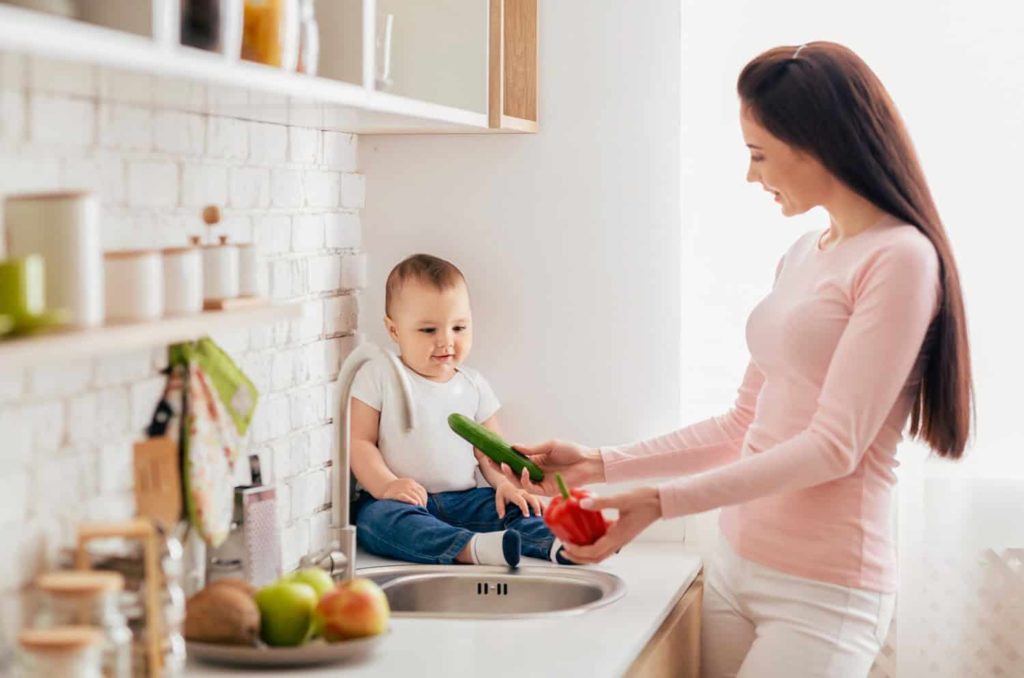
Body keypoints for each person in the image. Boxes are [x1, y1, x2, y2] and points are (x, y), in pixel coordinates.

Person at [491, 42, 973, 677]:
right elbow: (740, 426)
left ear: (816, 144)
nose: (752, 176)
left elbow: (834, 447)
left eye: (759, 155)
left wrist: (659, 501)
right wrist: (600, 463)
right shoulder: (805, 252)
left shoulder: (900, 259)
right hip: (736, 567)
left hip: (824, 595)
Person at [349, 254, 574, 568]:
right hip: (402, 501)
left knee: (516, 508)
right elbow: (359, 442)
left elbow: (490, 452)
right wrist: (387, 485)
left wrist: (505, 485)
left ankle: (562, 542)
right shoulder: (379, 374)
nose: (446, 341)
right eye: (428, 330)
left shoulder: (474, 385)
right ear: (394, 330)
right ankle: (470, 548)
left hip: (466, 499)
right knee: (377, 520)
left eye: (459, 327)